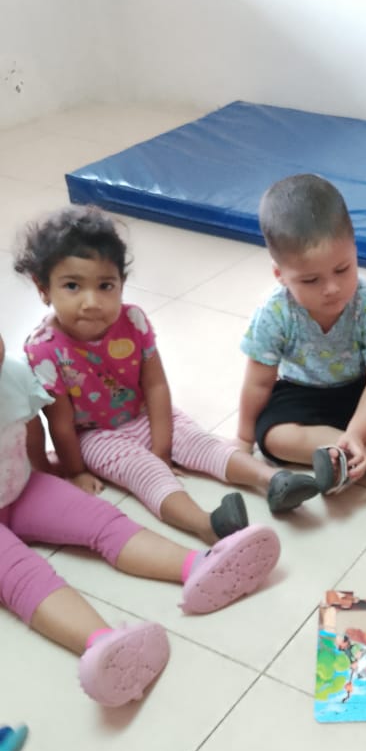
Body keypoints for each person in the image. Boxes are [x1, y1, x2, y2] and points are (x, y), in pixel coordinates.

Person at [0, 334, 281, 708]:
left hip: (20, 486)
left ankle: (200, 564)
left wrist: (44, 469)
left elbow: (29, 425)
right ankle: (103, 645)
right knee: (21, 575)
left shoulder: (11, 374)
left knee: (102, 521)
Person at [17, 206, 319, 535]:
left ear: (121, 283)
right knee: (145, 471)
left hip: (145, 412)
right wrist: (76, 471)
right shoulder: (43, 349)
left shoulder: (133, 321)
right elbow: (60, 423)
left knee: (201, 443)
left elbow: (156, 386)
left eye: (105, 285)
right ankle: (208, 525)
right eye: (72, 286)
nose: (91, 302)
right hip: (94, 435)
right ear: (43, 288)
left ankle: (274, 480)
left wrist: (163, 447)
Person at [237, 174, 366, 497]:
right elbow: (258, 383)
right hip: (304, 395)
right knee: (273, 437)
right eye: (310, 280)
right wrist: (243, 440)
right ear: (280, 275)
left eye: (342, 269)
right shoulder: (274, 312)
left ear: (354, 249)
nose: (331, 288)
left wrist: (357, 433)